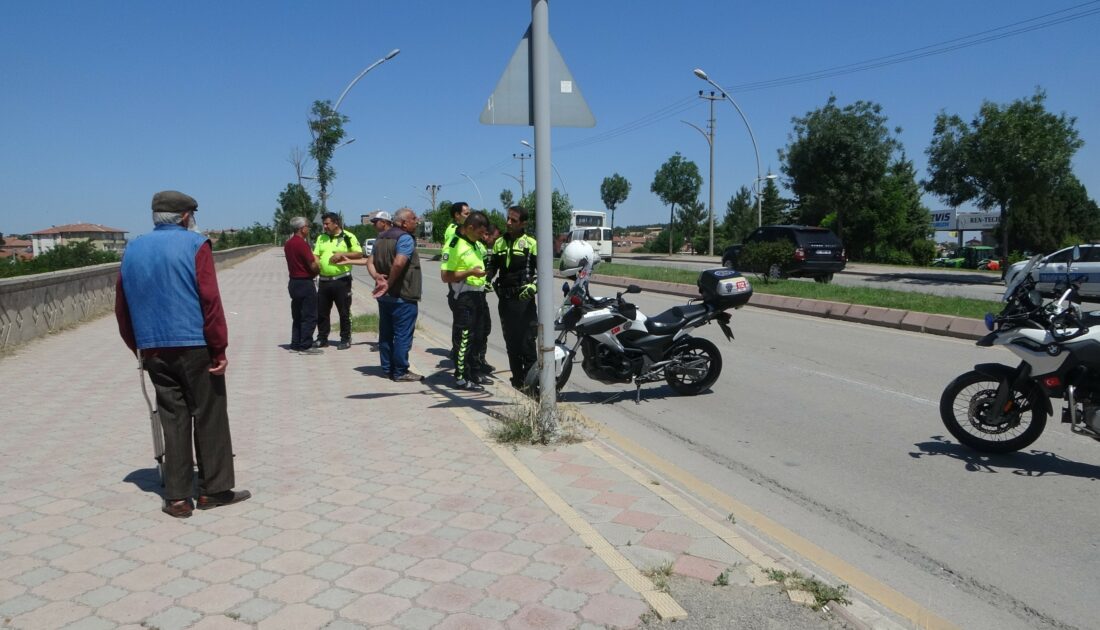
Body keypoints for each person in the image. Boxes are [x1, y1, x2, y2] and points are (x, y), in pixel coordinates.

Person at [115, 190, 251, 519]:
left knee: (172, 417)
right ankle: (213, 491)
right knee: (209, 414)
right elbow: (209, 299)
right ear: (186, 216)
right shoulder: (195, 245)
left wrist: (139, 347)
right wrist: (219, 348)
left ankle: (177, 498)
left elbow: (122, 305)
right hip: (195, 344)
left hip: (153, 348)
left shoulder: (132, 248)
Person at [336, 208, 424, 382]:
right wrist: (388, 282)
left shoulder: (381, 237)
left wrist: (377, 277)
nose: (417, 221)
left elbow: (370, 262)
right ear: (404, 222)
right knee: (402, 335)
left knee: (386, 333)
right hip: (402, 295)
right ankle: (400, 371)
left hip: (384, 296)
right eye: (414, 218)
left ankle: (387, 368)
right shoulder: (404, 238)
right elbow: (399, 263)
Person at [486, 206, 538, 389]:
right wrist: (487, 279)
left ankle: (532, 386)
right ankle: (517, 382)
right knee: (512, 344)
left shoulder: (531, 243)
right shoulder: (499, 242)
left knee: (527, 344)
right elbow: (492, 266)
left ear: (523, 223)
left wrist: (534, 285)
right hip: (506, 302)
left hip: (524, 302)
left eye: (513, 220)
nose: (508, 223)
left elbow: (543, 271)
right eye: (507, 219)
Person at [441, 211, 492, 390]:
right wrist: (470, 273)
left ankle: (475, 372)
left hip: (478, 295)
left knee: (480, 334)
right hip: (465, 297)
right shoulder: (454, 245)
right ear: (470, 227)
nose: (482, 237)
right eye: (479, 233)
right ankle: (461, 376)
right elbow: (446, 276)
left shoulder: (476, 244)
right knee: (464, 338)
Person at [313, 212, 362, 350]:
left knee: (344, 311)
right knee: (322, 312)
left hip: (341, 281)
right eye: (324, 224)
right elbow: (316, 255)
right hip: (323, 280)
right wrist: (316, 265)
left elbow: (358, 253)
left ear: (336, 223)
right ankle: (322, 338)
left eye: (327, 223)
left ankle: (345, 338)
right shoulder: (321, 238)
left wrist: (342, 254)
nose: (325, 226)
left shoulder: (348, 236)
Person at [284, 216, 322, 355]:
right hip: (305, 282)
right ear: (302, 228)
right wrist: (319, 269)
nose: (309, 228)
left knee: (297, 315)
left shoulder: (288, 243)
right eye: (307, 226)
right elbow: (312, 263)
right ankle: (305, 345)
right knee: (309, 315)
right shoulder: (302, 244)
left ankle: (295, 343)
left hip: (293, 282)